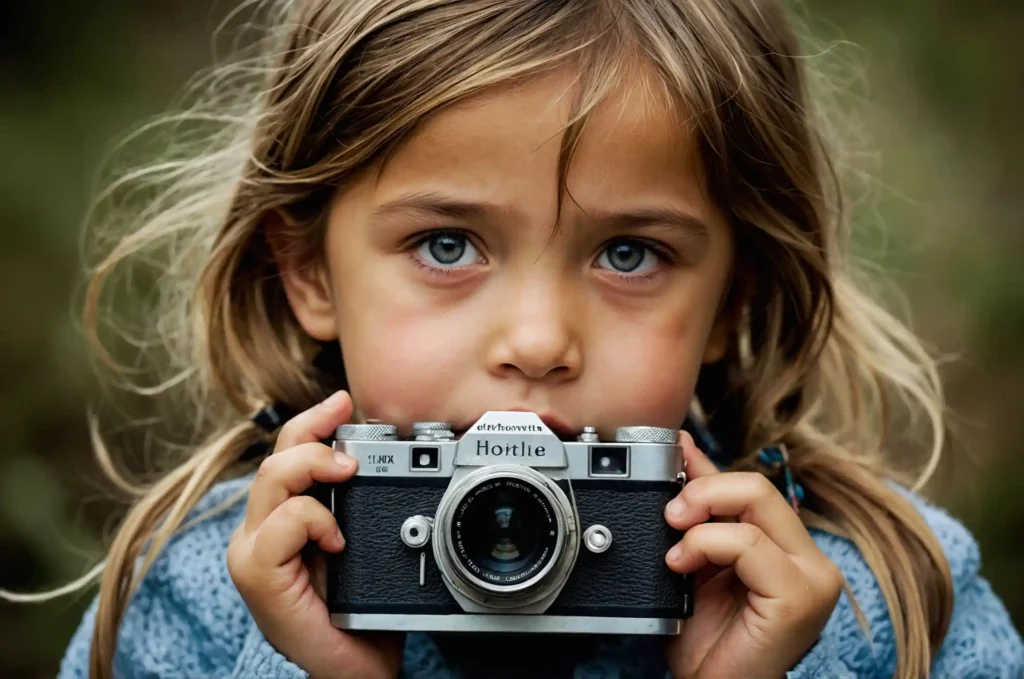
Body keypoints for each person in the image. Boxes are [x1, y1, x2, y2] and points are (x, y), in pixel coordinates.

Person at [12, 0, 1023, 677]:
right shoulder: (194, 607)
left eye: (629, 254)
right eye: (446, 243)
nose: (538, 340)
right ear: (309, 270)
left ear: (732, 298)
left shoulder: (891, 606)